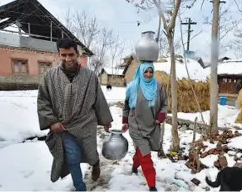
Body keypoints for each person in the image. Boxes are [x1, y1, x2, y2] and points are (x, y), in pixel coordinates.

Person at [37, 38, 113, 191]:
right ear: (59, 55)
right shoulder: (49, 77)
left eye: (71, 55)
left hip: (86, 123)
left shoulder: (90, 76)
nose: (68, 59)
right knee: (72, 156)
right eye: (64, 55)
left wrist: (105, 119)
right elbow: (43, 101)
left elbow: (98, 99)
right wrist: (52, 122)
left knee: (91, 153)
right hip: (64, 126)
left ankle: (95, 164)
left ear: (77, 54)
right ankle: (80, 187)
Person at [121, 63, 168, 191]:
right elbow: (126, 105)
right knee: (146, 156)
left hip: (152, 125)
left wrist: (161, 116)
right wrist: (125, 121)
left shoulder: (158, 88)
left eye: (150, 72)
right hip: (136, 125)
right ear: (141, 72)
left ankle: (135, 165)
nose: (148, 74)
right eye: (145, 72)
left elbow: (165, 103)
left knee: (141, 152)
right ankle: (152, 185)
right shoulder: (133, 87)